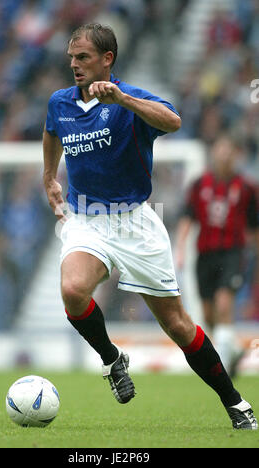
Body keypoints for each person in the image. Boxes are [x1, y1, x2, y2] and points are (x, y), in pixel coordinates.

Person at [43, 23, 257, 430]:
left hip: (134, 223)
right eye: (71, 57)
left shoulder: (132, 98)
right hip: (86, 218)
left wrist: (123, 99)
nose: (74, 64)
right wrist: (48, 176)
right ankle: (112, 360)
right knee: (72, 290)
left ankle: (235, 402)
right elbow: (51, 133)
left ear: (107, 59)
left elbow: (173, 121)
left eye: (82, 57)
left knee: (177, 325)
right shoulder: (60, 102)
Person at [175, 135, 259, 376]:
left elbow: (254, 226)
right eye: (219, 149)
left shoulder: (247, 188)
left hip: (233, 253)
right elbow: (187, 217)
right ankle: (232, 349)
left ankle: (221, 368)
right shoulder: (199, 184)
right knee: (209, 314)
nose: (223, 155)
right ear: (213, 153)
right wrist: (180, 248)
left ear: (235, 155)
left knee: (224, 304)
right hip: (204, 254)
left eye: (228, 151)